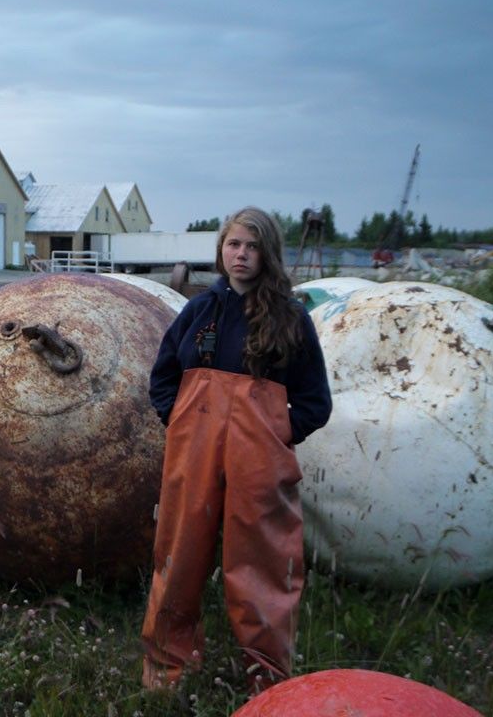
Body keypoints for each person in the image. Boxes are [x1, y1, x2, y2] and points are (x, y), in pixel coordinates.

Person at [141, 206, 331, 692]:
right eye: (233, 245)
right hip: (194, 453)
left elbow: (314, 402)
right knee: (178, 559)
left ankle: (267, 683)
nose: (241, 255)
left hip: (259, 462)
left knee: (262, 568)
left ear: (268, 253)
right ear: (221, 251)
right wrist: (180, 420)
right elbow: (163, 378)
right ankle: (167, 672)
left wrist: (271, 432)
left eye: (251, 246)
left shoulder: (291, 318)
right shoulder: (200, 311)